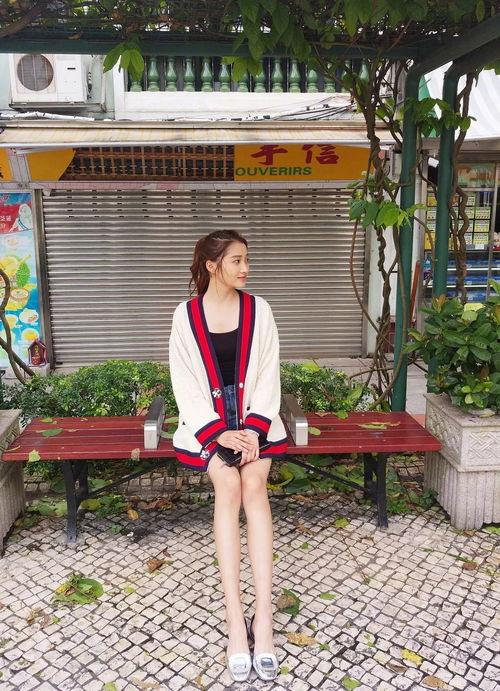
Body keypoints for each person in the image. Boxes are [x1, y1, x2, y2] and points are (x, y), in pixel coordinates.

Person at [168, 230, 288, 682]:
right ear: (211, 264)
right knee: (229, 486)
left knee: (254, 486)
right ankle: (236, 620)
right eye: (236, 260)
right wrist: (218, 434)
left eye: (246, 260)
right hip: (210, 429)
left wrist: (253, 428)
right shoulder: (185, 315)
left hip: (257, 425)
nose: (245, 268)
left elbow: (269, 372)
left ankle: (264, 618)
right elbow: (184, 381)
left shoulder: (260, 310)